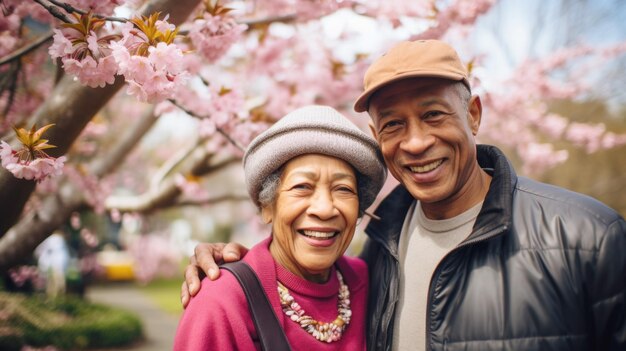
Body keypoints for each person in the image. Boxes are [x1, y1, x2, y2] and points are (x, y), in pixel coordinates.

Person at [181, 40, 626, 351]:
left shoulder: (587, 237)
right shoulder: (379, 252)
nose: (415, 143)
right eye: (393, 124)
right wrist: (229, 266)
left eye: (433, 114)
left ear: (473, 115)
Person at [173, 105, 387, 350]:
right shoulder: (221, 303)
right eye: (302, 187)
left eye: (344, 189)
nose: (325, 209)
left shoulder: (369, 280)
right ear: (267, 206)